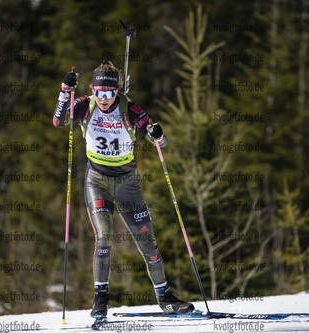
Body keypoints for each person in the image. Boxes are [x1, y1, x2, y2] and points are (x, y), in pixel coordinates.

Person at [53, 60, 194, 318]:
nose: (103, 99)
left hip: (128, 183)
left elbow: (156, 137)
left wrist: (157, 134)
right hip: (98, 181)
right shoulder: (85, 105)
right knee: (104, 236)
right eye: (99, 92)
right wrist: (64, 90)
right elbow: (58, 121)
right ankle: (101, 298)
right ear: (93, 90)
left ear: (117, 91)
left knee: (147, 241)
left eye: (109, 93)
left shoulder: (129, 108)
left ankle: (165, 297)